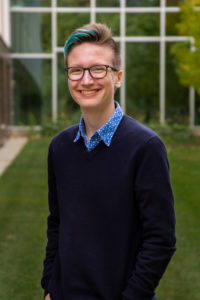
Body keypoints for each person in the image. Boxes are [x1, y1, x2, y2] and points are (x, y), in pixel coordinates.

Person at [41, 23, 176, 300]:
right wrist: (50, 286)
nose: (86, 80)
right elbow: (57, 222)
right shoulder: (60, 148)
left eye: (98, 69)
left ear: (118, 78)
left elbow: (160, 239)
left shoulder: (145, 147)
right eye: (76, 70)